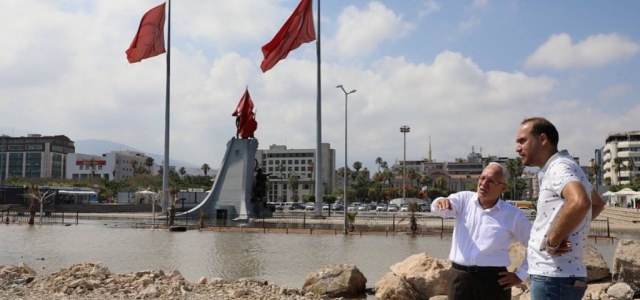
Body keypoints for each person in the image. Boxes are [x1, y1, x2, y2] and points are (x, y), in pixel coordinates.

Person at [515, 117, 606, 300]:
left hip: (552, 277)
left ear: (542, 139)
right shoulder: (568, 165)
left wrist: (552, 241)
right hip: (561, 276)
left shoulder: (559, 167)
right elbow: (597, 203)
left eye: (522, 141)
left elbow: (580, 202)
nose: (518, 148)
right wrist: (568, 230)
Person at [431, 162, 532, 300]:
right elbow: (441, 208)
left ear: (503, 188)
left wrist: (520, 275)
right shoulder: (464, 200)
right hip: (459, 279)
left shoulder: (513, 215)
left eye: (491, 181)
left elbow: (535, 244)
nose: (484, 183)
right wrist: (440, 201)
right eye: (482, 178)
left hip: (494, 281)